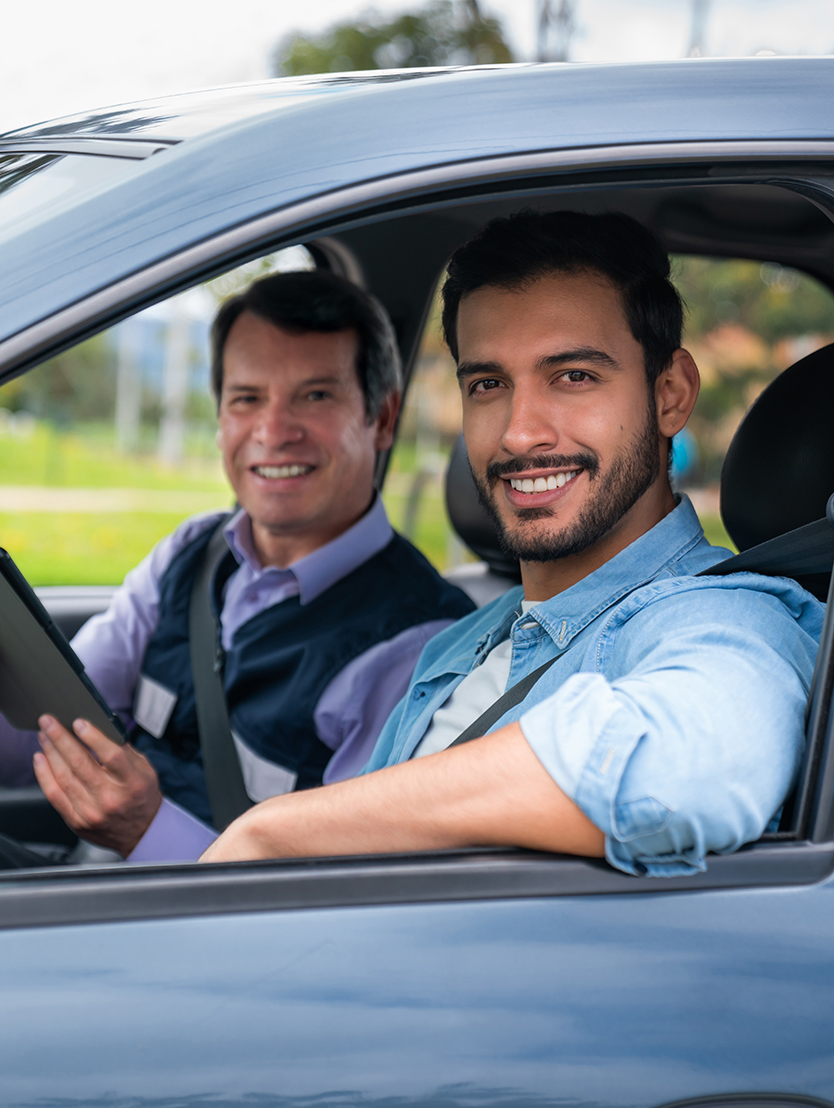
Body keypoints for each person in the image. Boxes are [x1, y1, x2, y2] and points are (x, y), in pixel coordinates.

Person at [39, 211, 823, 877]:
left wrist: (269, 835)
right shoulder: (463, 645)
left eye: (574, 377)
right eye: (488, 384)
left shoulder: (728, 619)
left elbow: (691, 766)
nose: (520, 432)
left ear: (670, 393)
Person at [9, 270, 474, 863]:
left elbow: (338, 898)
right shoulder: (190, 553)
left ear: (381, 419)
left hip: (186, 919)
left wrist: (148, 833)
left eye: (316, 396)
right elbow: (50, 732)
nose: (273, 432)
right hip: (82, 879)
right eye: (247, 399)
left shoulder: (422, 649)